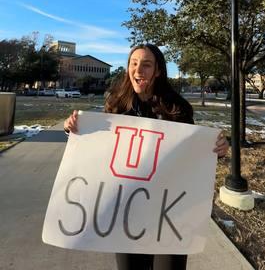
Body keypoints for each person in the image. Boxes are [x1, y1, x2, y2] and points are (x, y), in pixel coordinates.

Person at [64, 43, 229, 270]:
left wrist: (217, 149)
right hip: (126, 214)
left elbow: (192, 155)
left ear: (159, 71)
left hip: (170, 214)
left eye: (146, 65)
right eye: (133, 63)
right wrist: (74, 128)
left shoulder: (177, 108)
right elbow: (100, 150)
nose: (138, 70)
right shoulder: (116, 105)